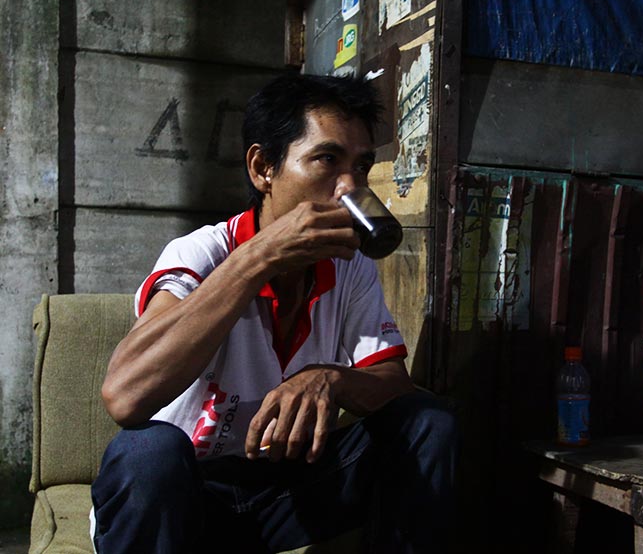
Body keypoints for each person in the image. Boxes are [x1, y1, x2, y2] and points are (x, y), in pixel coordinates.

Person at [90, 72, 457, 554]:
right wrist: (259, 257)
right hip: (187, 497)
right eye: (327, 159)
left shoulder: (349, 267)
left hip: (284, 494)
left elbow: (392, 382)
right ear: (263, 168)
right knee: (147, 453)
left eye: (361, 166)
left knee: (427, 420)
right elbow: (124, 397)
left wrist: (332, 379)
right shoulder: (202, 253)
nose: (349, 186)